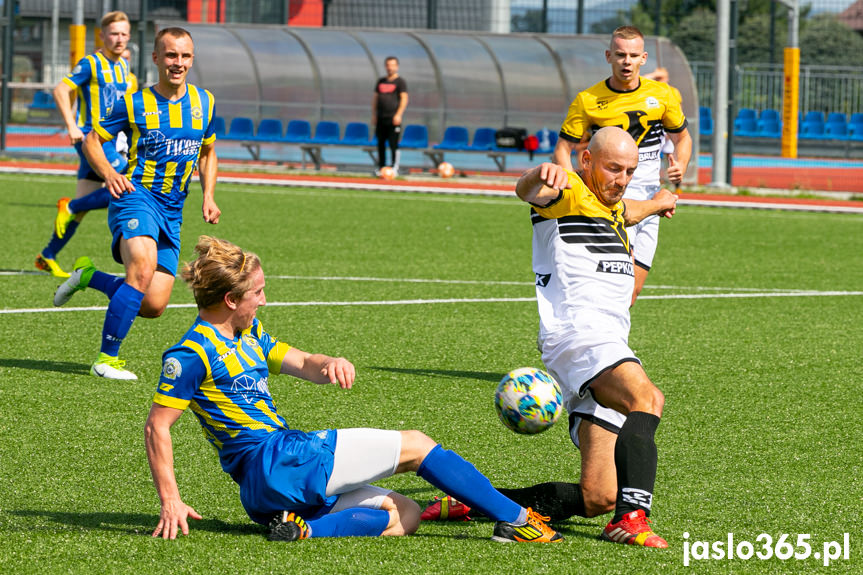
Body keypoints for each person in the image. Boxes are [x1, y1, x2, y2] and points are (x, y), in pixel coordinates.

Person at [144, 236, 563, 544]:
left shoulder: (249, 333)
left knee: (407, 514)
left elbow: (304, 363)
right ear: (231, 299)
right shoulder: (190, 353)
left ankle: (302, 529)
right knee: (417, 445)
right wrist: (171, 500)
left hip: (265, 496)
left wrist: (331, 364)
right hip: (278, 459)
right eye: (257, 292)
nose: (264, 299)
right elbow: (157, 427)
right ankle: (518, 520)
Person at [434, 128, 674, 547]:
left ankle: (475, 501)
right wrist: (538, 174)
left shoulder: (613, 206)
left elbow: (628, 211)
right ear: (585, 161)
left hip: (601, 344)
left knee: (598, 496)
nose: (621, 179)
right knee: (647, 399)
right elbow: (526, 192)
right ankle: (633, 520)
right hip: (581, 336)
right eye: (613, 168)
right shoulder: (565, 195)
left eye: (629, 171)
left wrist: (659, 202)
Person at [52, 27, 220, 380]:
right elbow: (92, 140)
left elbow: (208, 152)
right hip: (136, 198)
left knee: (153, 304)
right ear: (157, 58)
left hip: (173, 210)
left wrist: (208, 195)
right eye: (171, 55)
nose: (178, 63)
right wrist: (110, 175)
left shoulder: (205, 102)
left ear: (193, 58)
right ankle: (106, 359)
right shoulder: (134, 101)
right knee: (141, 271)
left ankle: (88, 276)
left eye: (185, 56)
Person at [553, 26, 692, 305]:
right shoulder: (588, 100)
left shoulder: (662, 95)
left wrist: (682, 165)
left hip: (652, 203)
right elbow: (563, 149)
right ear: (608, 56)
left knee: (631, 293)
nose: (626, 61)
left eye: (633, 55)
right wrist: (574, 189)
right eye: (620, 55)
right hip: (610, 202)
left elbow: (683, 137)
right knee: (614, 285)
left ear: (643, 58)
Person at [36, 11, 133, 278]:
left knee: (81, 209)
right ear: (101, 36)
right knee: (125, 185)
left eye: (124, 34)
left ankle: (48, 255)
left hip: (110, 140)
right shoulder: (91, 62)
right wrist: (71, 125)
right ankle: (71, 206)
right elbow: (60, 90)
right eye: (114, 33)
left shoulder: (123, 65)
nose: (120, 38)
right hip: (92, 138)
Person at [372, 56, 408, 176]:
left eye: (392, 65)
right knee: (380, 143)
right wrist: (374, 114)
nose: (390, 68)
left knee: (393, 144)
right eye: (388, 65)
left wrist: (398, 114)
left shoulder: (400, 82)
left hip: (393, 118)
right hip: (381, 118)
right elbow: (375, 98)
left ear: (397, 67)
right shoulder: (381, 81)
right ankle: (381, 167)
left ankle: (394, 167)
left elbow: (404, 99)